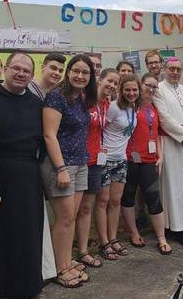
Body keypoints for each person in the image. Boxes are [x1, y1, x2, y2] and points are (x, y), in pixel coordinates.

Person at [0, 52, 44, 298]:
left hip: (29, 174)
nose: (20, 74)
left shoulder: (36, 103)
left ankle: (29, 285)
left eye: (26, 71)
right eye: (16, 68)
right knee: (4, 233)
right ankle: (4, 288)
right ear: (5, 69)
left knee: (29, 232)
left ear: (30, 75)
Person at [41, 54, 97, 288]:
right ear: (68, 72)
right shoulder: (57, 96)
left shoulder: (81, 98)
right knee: (64, 218)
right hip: (60, 165)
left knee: (71, 216)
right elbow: (49, 135)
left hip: (80, 163)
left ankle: (66, 259)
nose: (80, 76)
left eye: (85, 72)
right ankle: (59, 267)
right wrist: (61, 168)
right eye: (76, 70)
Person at [120, 73, 173, 255]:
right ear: (140, 86)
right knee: (128, 197)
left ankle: (161, 238)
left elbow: (157, 134)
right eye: (147, 86)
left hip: (150, 160)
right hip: (129, 159)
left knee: (153, 198)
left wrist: (161, 155)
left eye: (154, 87)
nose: (151, 89)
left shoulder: (154, 108)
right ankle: (133, 233)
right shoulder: (130, 107)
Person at [153, 57, 183, 247]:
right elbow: (164, 118)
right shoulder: (159, 89)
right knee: (174, 185)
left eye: (178, 69)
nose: (175, 72)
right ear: (165, 69)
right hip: (170, 142)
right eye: (171, 68)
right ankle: (176, 227)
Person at [75, 68, 119, 267]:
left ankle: (83, 251)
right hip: (78, 160)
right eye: (109, 81)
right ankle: (68, 254)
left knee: (86, 208)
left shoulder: (108, 104)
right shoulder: (84, 99)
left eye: (115, 83)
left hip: (96, 162)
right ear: (100, 79)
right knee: (74, 210)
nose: (111, 86)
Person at [96, 75, 141, 259]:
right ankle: (104, 242)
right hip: (105, 160)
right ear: (121, 90)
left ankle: (113, 239)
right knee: (102, 201)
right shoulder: (114, 107)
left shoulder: (134, 108)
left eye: (134, 90)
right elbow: (100, 127)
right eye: (127, 90)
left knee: (115, 201)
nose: (131, 93)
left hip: (121, 160)